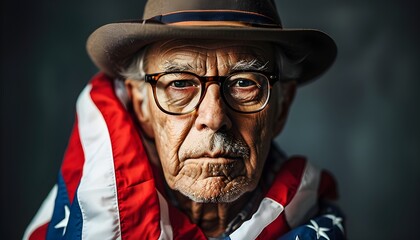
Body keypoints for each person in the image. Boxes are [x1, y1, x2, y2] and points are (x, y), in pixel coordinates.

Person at [24, 0, 345, 239]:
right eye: (179, 83)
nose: (214, 117)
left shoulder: (315, 226)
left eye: (244, 82)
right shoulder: (91, 218)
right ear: (141, 105)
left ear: (282, 106)